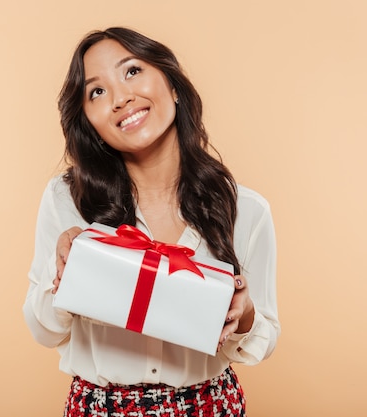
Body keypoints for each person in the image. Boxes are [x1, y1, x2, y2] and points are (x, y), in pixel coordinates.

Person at [23, 27, 280, 416]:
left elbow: (262, 340)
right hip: (100, 408)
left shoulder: (246, 210)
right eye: (97, 91)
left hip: (209, 405)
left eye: (132, 72)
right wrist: (64, 275)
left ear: (173, 84)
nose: (121, 98)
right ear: (89, 121)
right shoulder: (68, 199)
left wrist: (242, 315)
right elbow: (44, 330)